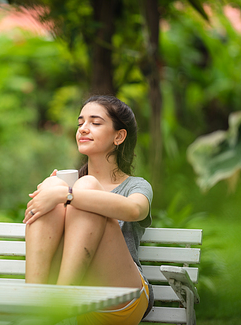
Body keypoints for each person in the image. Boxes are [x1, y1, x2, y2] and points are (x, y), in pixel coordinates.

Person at [23, 95, 153, 325]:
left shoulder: (136, 186)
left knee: (84, 188)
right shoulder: (63, 186)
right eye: (80, 122)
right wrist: (53, 195)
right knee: (56, 183)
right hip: (80, 292)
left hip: (122, 297)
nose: (83, 129)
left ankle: (59, 304)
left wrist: (67, 195)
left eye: (95, 122)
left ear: (119, 136)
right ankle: (34, 303)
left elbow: (135, 210)